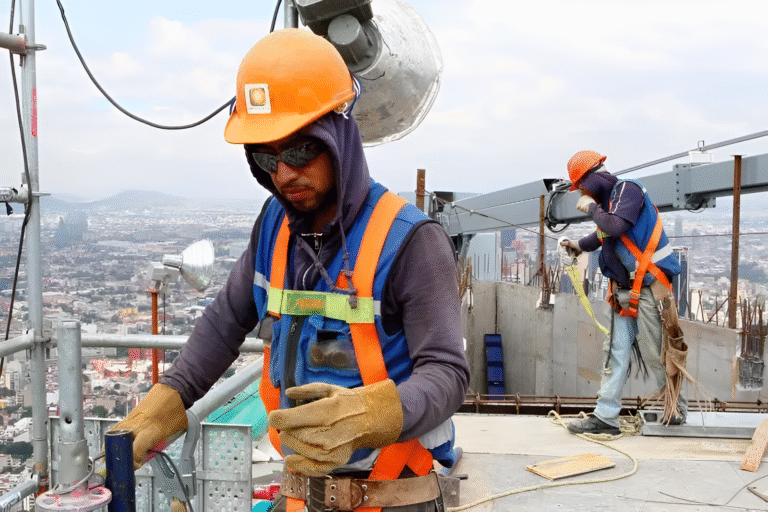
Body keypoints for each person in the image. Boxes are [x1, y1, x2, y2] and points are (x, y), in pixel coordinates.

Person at [112, 28, 469, 512]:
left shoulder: (410, 241)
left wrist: (372, 414)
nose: (284, 174)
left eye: (301, 151)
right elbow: (224, 322)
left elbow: (446, 373)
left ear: (339, 135)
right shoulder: (274, 227)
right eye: (267, 157)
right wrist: (169, 399)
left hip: (394, 492)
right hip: (301, 492)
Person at [560, 150, 686, 436]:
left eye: (581, 187)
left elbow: (615, 226)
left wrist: (592, 209)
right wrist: (578, 245)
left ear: (590, 179)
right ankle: (606, 416)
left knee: (656, 353)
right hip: (623, 292)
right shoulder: (611, 203)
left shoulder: (628, 190)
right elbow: (603, 234)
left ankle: (676, 410)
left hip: (649, 289)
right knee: (615, 353)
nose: (582, 193)